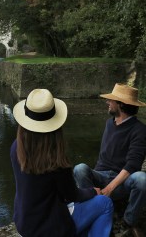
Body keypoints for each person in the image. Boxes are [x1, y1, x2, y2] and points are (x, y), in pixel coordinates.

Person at [11, 88, 113, 237]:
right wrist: (93, 191)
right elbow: (72, 195)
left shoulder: (16, 147)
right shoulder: (54, 160)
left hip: (25, 224)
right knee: (104, 203)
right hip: (50, 230)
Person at [74, 83, 146, 237]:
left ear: (121, 104)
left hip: (122, 183)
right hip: (101, 176)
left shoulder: (139, 130)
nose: (108, 102)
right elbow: (103, 159)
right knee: (80, 168)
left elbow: (133, 165)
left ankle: (128, 222)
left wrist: (110, 188)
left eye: (111, 100)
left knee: (142, 179)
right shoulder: (109, 123)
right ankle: (94, 209)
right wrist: (96, 182)